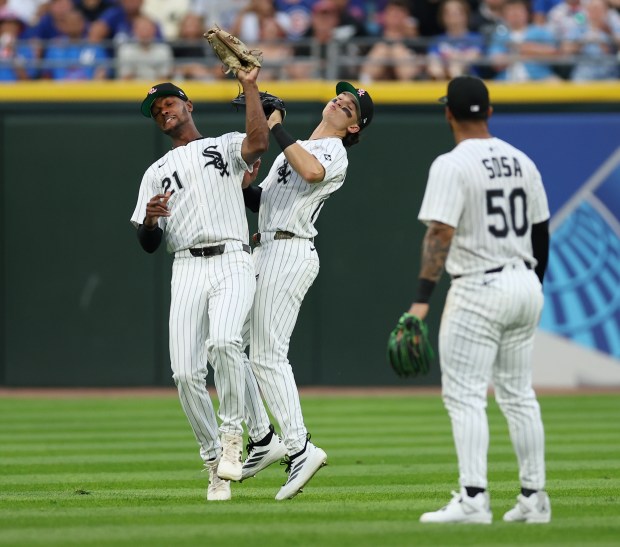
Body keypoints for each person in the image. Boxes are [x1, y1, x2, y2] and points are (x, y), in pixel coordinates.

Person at [404, 75, 551, 524]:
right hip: (524, 281)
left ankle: (473, 499)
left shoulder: (452, 164)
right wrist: (533, 282)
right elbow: (541, 230)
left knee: (465, 395)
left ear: (448, 112)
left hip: (478, 287)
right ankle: (534, 499)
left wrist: (421, 299)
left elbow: (440, 232)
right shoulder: (521, 160)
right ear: (489, 112)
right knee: (519, 395)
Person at [129, 68, 269, 501]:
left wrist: (249, 86)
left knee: (226, 342)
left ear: (188, 105)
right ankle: (214, 463)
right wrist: (151, 219)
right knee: (185, 372)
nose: (163, 111)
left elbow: (259, 142)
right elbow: (148, 242)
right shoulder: (156, 171)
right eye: (156, 110)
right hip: (186, 265)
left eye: (169, 102)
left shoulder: (223, 145)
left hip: (230, 256)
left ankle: (232, 436)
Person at [238, 81, 375, 500]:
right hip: (268, 244)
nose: (340, 101)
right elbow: (267, 202)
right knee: (229, 345)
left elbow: (312, 171)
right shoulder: (296, 147)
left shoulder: (332, 152)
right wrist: (245, 186)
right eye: (341, 96)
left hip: (290, 251)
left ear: (353, 128)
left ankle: (300, 447)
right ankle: (263, 440)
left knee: (266, 353)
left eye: (349, 107)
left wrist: (276, 125)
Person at [488, 0, 560, 81]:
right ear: (504, 15)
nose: (515, 14)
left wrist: (524, 48)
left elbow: (554, 53)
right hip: (506, 79)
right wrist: (527, 54)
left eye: (518, 10)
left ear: (527, 13)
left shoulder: (540, 32)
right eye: (511, 11)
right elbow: (496, 62)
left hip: (540, 77)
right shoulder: (500, 35)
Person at [426, 0, 485, 80]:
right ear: (442, 16)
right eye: (448, 13)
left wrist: (453, 58)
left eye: (457, 13)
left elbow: (472, 57)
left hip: (469, 79)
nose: (452, 17)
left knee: (456, 67)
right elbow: (433, 59)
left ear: (465, 15)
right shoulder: (436, 40)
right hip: (440, 77)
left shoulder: (476, 38)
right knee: (435, 67)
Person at [116, 14, 174, 80]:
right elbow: (126, 78)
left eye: (148, 29)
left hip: (158, 88)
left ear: (154, 30)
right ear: (134, 30)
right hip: (133, 88)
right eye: (142, 29)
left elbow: (164, 77)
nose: (145, 32)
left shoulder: (163, 50)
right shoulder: (126, 50)